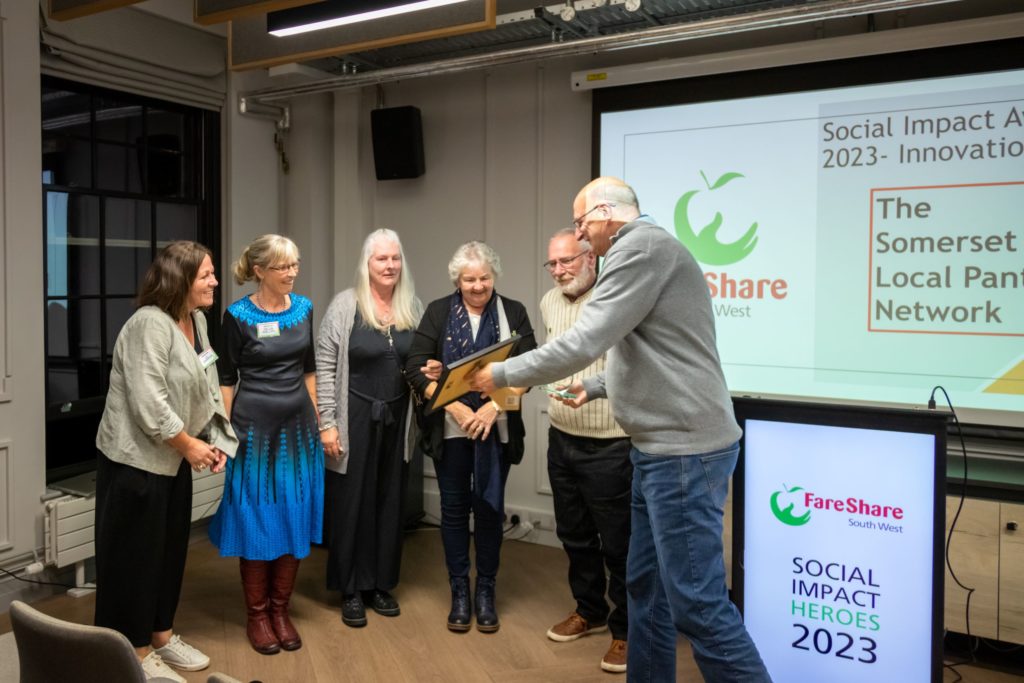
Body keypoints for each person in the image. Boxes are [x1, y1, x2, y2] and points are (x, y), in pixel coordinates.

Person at [470, 178, 773, 682]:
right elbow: (661, 350)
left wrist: (501, 373)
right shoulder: (644, 252)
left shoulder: (642, 249)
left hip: (681, 451)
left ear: (608, 212)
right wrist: (601, 386)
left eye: (582, 222)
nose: (581, 235)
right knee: (645, 588)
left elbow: (587, 338)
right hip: (656, 449)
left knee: (696, 605)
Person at [95, 241, 238, 683]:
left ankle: (161, 636)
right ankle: (132, 652)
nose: (215, 281)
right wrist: (188, 445)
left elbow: (208, 381)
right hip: (134, 464)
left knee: (169, 552)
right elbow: (148, 402)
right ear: (180, 279)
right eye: (207, 275)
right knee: (133, 560)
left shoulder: (195, 319)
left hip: (174, 459)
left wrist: (214, 441)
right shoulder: (147, 325)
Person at [405, 241, 536, 634]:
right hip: (451, 429)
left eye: (484, 278)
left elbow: (529, 367)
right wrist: (455, 407)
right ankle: (460, 590)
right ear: (456, 280)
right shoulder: (439, 312)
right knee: (455, 510)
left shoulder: (513, 312)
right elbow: (414, 366)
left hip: (496, 427)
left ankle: (487, 591)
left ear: (494, 277)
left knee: (491, 510)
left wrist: (493, 407)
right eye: (469, 279)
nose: (478, 286)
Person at [207, 234, 323, 655]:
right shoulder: (236, 315)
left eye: (295, 264)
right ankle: (257, 615)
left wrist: (318, 418)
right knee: (255, 518)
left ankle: (280, 610)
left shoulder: (305, 308)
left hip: (298, 432)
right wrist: (223, 435)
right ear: (259, 271)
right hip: (253, 433)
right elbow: (224, 379)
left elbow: (308, 368)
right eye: (283, 266)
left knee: (293, 513)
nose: (292, 273)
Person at [316, 229, 422, 628]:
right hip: (354, 415)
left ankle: (380, 584)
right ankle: (351, 588)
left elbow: (419, 363)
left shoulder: (412, 305)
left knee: (389, 500)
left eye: (395, 258)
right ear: (367, 263)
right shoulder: (345, 305)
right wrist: (327, 423)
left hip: (397, 419)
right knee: (353, 502)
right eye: (382, 259)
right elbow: (325, 367)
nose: (390, 265)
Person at [539, 228, 632, 675]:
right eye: (552, 264)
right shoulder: (548, 302)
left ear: (590, 257)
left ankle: (626, 631)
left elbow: (628, 369)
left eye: (567, 261)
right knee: (574, 535)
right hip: (561, 437)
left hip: (611, 443)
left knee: (619, 544)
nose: (559, 271)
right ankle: (589, 609)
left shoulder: (618, 298)